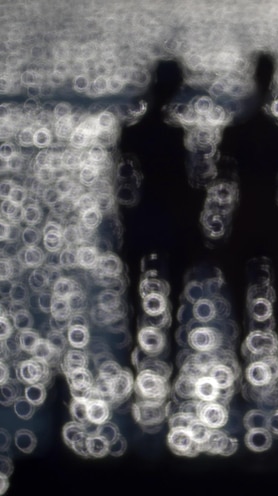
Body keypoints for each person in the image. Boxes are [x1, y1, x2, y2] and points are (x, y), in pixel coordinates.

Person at [119, 59, 209, 324]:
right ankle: (168, 352)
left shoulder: (134, 132)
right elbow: (187, 181)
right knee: (174, 290)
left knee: (136, 291)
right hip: (167, 216)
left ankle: (136, 348)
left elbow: (123, 183)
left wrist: (127, 215)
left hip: (145, 214)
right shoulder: (170, 135)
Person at [217, 53, 278, 330]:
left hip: (247, 217)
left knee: (240, 297)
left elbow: (221, 185)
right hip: (269, 218)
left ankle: (246, 349)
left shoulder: (237, 132)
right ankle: (277, 351)